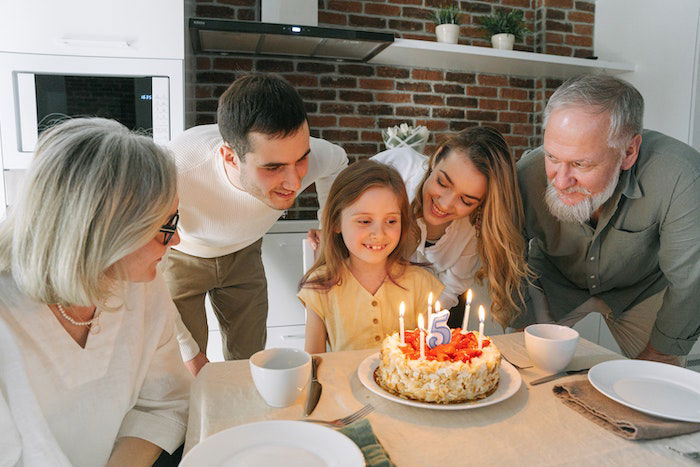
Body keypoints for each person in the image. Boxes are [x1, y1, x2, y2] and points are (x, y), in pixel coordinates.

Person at [0, 118, 191, 466]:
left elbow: (163, 402)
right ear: (106, 233)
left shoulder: (141, 283)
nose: (176, 240)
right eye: (167, 226)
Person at [164, 73, 348, 368]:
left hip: (245, 253)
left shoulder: (307, 154)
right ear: (229, 157)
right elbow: (147, 273)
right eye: (273, 167)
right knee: (183, 370)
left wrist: (329, 225)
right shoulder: (175, 168)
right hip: (181, 256)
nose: (293, 181)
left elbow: (338, 161)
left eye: (301, 160)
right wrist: (188, 352)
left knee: (249, 362)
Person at [516, 74, 700, 365]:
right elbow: (504, 254)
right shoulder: (527, 172)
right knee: (526, 366)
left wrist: (660, 354)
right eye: (552, 157)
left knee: (657, 386)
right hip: (555, 279)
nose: (561, 181)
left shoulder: (682, 176)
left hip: (641, 289)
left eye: (580, 163)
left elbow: (691, 278)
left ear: (628, 152)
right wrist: (520, 330)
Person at [369, 127, 530, 329]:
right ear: (436, 157)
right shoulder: (397, 166)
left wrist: (419, 325)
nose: (445, 204)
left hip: (429, 312)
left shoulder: (472, 229)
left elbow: (452, 287)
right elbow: (344, 200)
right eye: (442, 183)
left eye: (466, 200)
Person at [298, 160, 444, 353]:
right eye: (365, 221)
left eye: (391, 220)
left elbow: (435, 359)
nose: (379, 233)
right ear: (336, 223)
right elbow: (313, 368)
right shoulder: (319, 287)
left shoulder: (421, 284)